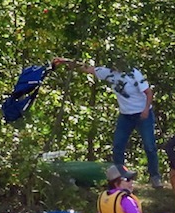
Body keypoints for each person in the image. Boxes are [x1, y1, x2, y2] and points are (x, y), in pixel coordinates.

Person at [53, 56, 163, 188]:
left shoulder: (134, 74)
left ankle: (155, 176)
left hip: (142, 113)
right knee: (118, 146)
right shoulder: (109, 73)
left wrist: (145, 109)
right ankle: (120, 176)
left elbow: (148, 92)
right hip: (126, 115)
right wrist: (65, 61)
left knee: (149, 146)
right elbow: (87, 68)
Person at [92, 165, 168, 213]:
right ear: (116, 183)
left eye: (132, 179)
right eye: (127, 179)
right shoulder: (126, 200)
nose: (131, 182)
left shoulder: (104, 200)